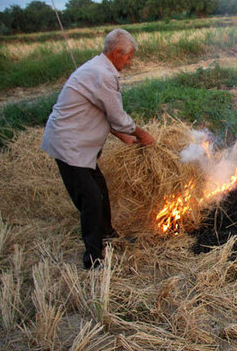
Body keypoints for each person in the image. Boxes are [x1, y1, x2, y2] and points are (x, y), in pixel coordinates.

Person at [41, 29, 155, 269]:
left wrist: (122, 136)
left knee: (100, 190)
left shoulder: (99, 68)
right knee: (91, 199)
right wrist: (141, 134)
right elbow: (117, 115)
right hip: (69, 145)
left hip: (80, 146)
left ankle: (107, 234)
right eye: (128, 56)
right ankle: (93, 258)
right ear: (116, 53)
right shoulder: (102, 74)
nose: (130, 61)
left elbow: (101, 110)